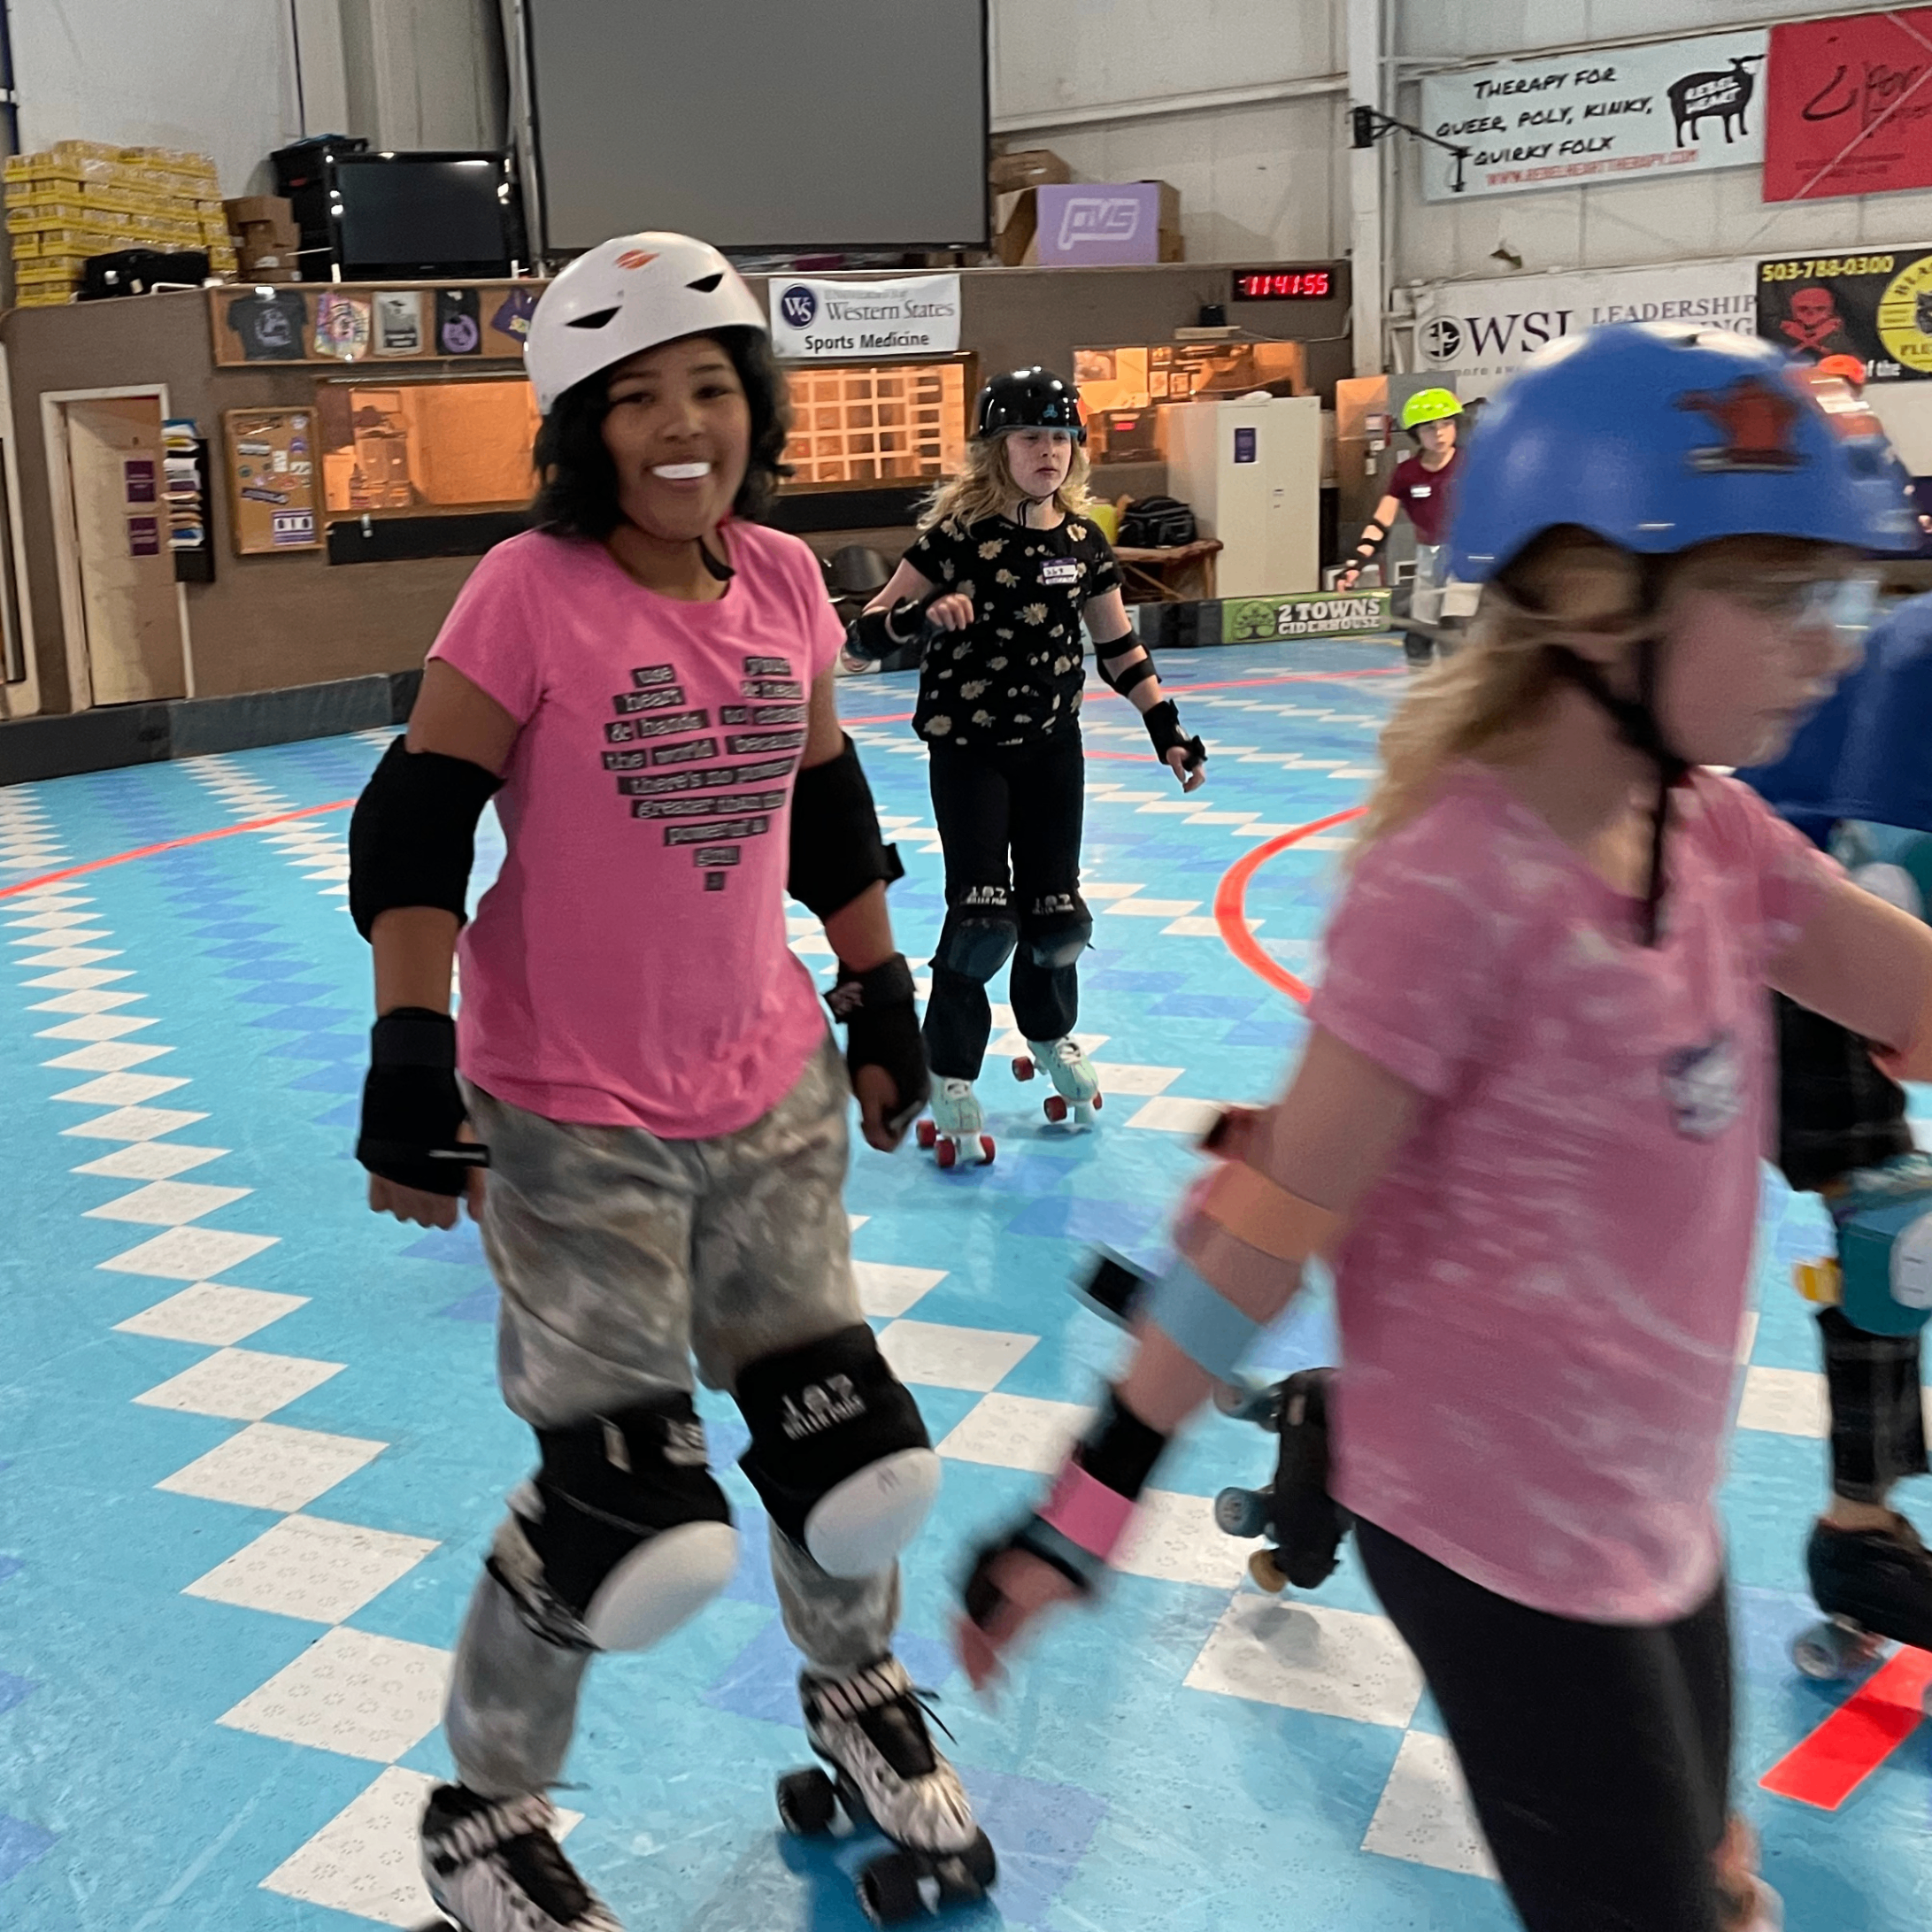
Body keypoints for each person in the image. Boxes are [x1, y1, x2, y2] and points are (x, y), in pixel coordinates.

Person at [951, 324, 1932, 1932]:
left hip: (1645, 1509)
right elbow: (1269, 1220)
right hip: (1495, 1536)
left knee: (1707, 1885)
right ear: (1607, 595)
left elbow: (1898, 981)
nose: (1831, 649)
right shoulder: (1457, 883)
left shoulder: (1707, 824)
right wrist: (1090, 1498)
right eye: (1786, 600)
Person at [346, 232, 992, 1932]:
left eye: (708, 387)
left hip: (762, 1084)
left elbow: (827, 799)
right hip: (569, 1111)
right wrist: (411, 1046)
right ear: (583, 431)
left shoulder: (783, 578)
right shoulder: (526, 590)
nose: (678, 425)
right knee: (623, 1507)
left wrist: (874, 985)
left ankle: (854, 1696)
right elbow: (414, 820)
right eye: (635, 400)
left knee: (842, 1447)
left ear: (751, 409)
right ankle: (484, 1817)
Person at [851, 366, 1207, 1166]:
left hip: (1054, 750)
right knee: (983, 920)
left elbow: (1117, 647)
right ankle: (947, 1068)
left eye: (1058, 436)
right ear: (994, 450)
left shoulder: (1082, 542)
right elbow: (863, 637)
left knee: (1056, 921)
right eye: (1028, 437)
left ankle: (1050, 1037)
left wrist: (1166, 728)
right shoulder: (955, 540)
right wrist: (919, 615)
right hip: (971, 752)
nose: (1047, 451)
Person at [1738, 597, 1932, 1665]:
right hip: (1786, 919)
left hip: (1799, 902)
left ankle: (1876, 1484)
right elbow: (1889, 874)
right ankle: (1857, 1527)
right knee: (1886, 1210)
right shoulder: (1920, 650)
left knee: (1889, 1206)